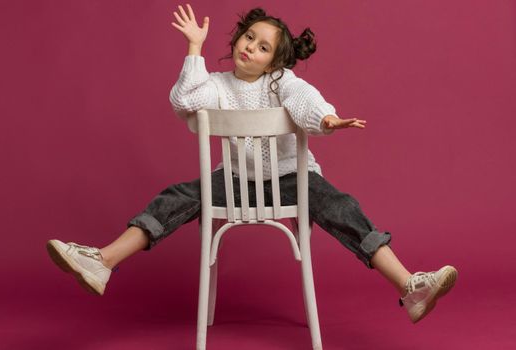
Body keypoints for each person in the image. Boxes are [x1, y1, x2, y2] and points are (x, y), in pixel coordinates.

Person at [47, 4, 457, 324]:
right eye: (248, 37)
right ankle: (101, 262)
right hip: (236, 180)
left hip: (293, 178)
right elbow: (185, 102)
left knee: (343, 207)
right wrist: (194, 50)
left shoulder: (282, 83)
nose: (249, 47)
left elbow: (305, 101)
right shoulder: (217, 85)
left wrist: (326, 118)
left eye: (263, 47)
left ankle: (410, 285)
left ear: (275, 62)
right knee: (176, 197)